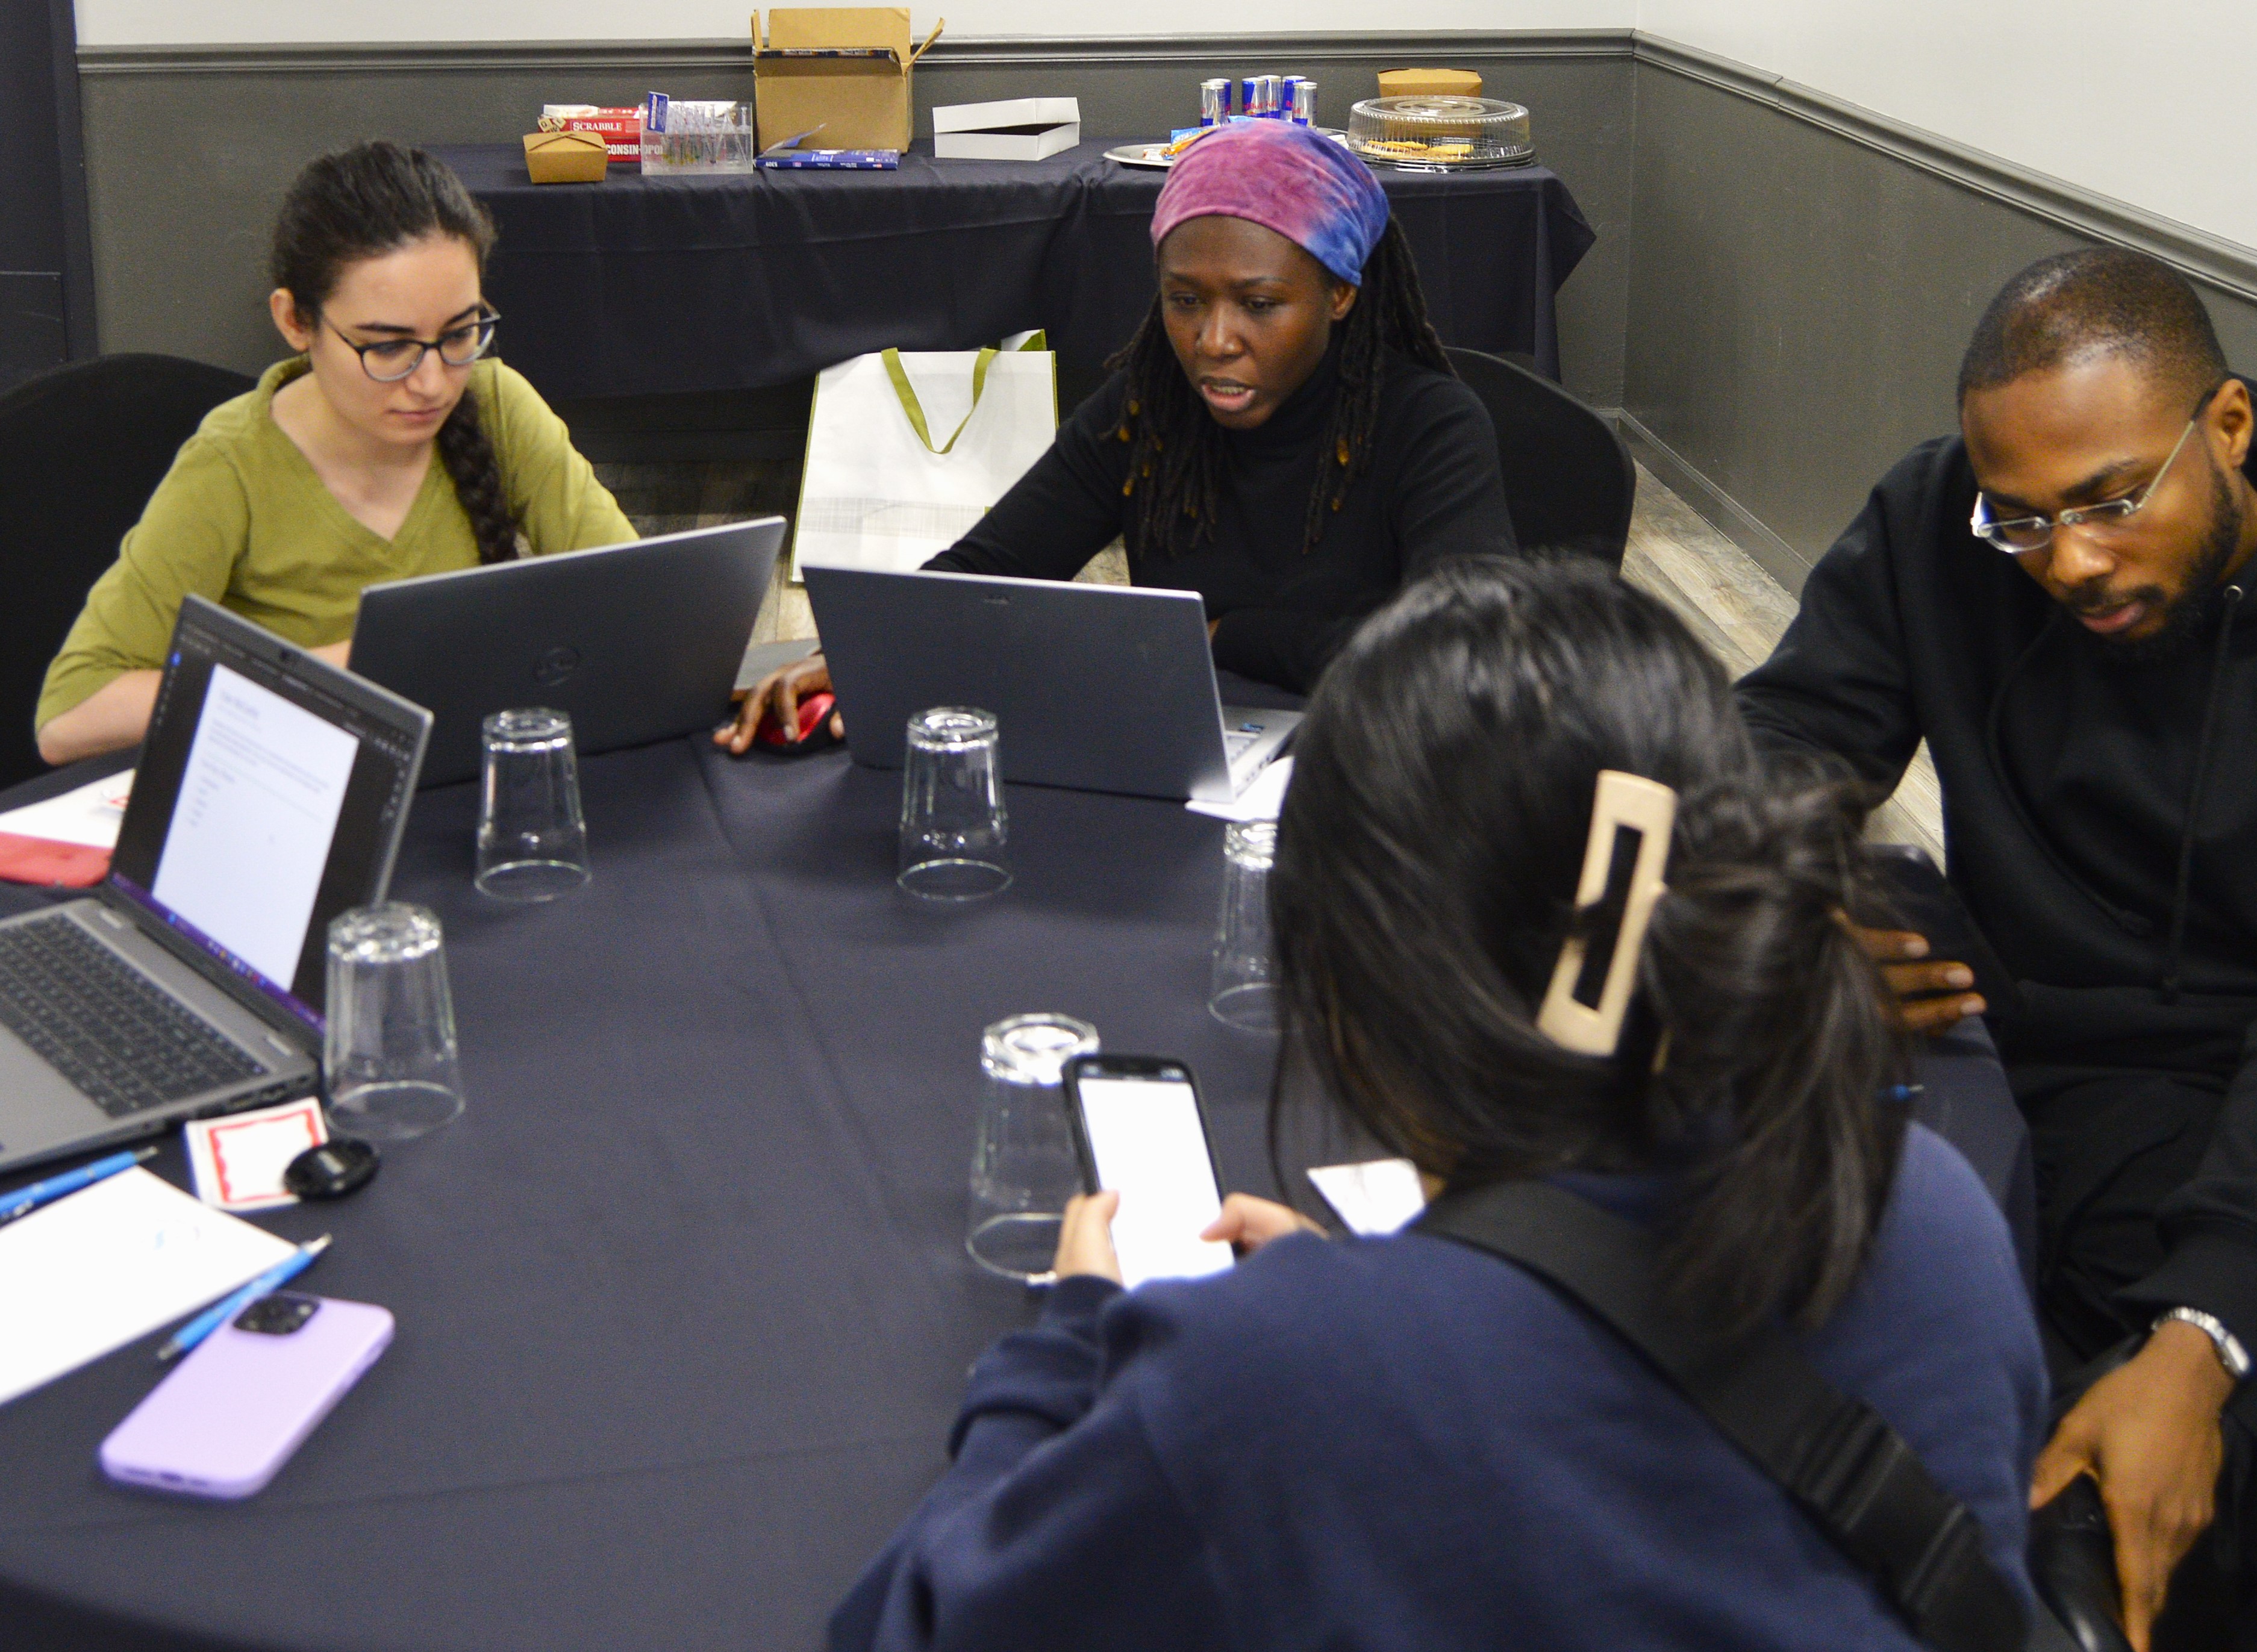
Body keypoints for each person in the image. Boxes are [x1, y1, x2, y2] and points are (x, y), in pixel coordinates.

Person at [829, 558, 2042, 1651]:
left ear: (1356, 980)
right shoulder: (1929, 1206)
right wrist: (1402, 1293)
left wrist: (1066, 1343)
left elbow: (905, 1627)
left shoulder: (1282, 1380)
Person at [1735, 248, 2257, 1651]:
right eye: (2017, 518)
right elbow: (1776, 742)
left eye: (2109, 500)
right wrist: (1780, 892)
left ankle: (2179, 1468)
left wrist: (2197, 1340)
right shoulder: (1933, 528)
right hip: (2106, 1094)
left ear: (2229, 427)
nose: (2068, 558)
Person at [720, 118, 1514, 751]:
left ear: (1339, 295)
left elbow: (1457, 657)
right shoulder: (1149, 410)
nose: (1213, 339)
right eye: (1184, 299)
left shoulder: (1430, 426)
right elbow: (995, 565)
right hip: (1189, 759)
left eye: (1260, 303)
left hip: (1380, 773)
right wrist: (871, 648)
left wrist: (1233, 635)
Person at [35, 140, 634, 765]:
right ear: (296, 322)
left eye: (459, 333)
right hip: (302, 802)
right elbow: (72, 713)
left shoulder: (497, 406)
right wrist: (363, 664)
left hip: (464, 779)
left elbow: (636, 598)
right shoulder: (235, 462)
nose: (431, 382)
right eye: (386, 347)